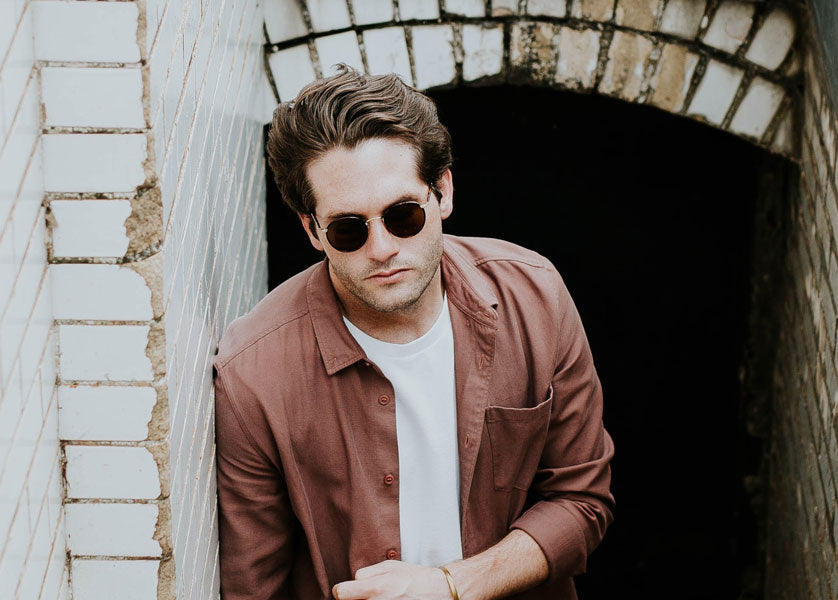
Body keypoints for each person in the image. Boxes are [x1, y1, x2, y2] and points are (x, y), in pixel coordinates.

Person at [212, 64, 615, 600]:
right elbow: (253, 586)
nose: (381, 248)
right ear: (312, 231)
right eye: (348, 229)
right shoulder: (253, 375)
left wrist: (452, 585)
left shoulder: (535, 299)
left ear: (442, 192)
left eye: (402, 215)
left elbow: (582, 501)